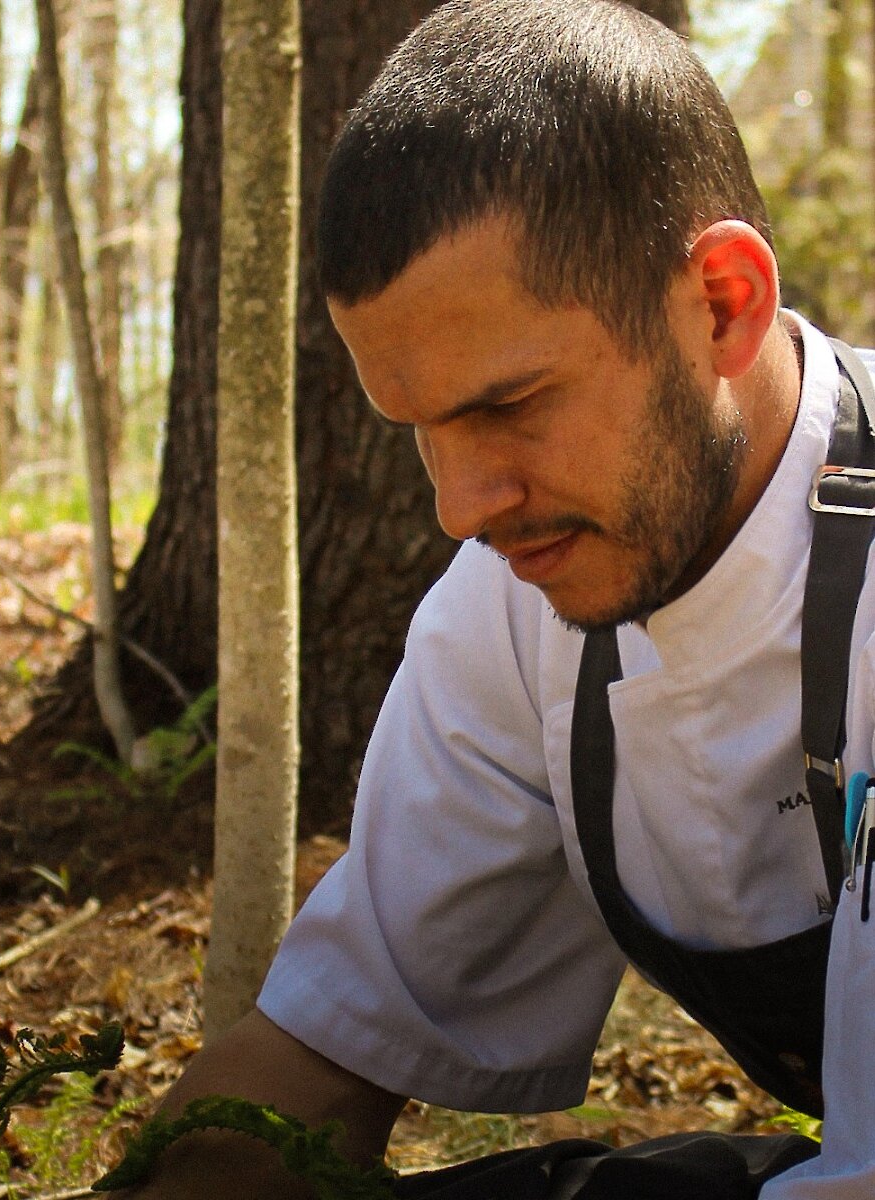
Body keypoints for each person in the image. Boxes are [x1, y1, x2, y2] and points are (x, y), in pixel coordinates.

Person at [118, 1, 875, 1196]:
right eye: (422, 431)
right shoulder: (519, 611)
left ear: (722, 303)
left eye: (510, 404)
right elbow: (325, 1053)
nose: (461, 508)